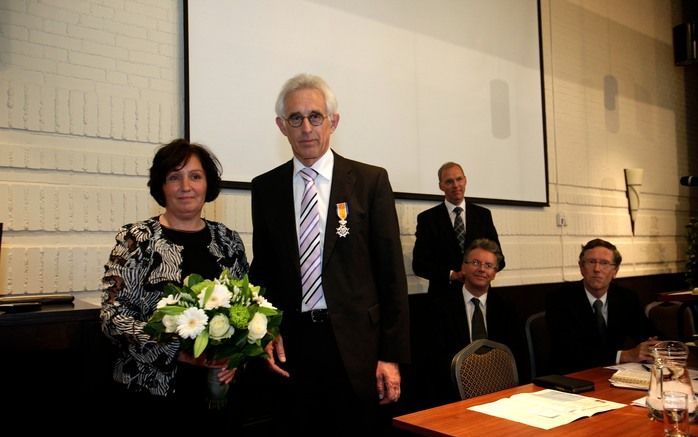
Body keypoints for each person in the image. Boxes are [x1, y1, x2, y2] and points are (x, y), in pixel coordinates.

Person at [249, 73, 410, 435]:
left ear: (333, 122)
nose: (306, 127)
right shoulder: (266, 188)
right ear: (281, 126)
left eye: (315, 116)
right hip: (294, 348)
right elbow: (265, 271)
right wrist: (266, 330)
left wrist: (390, 356)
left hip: (358, 349)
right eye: (295, 118)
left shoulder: (369, 182)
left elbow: (391, 276)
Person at [100, 138, 249, 415]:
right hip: (150, 391)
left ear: (208, 184)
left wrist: (236, 356)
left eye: (195, 176)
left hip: (216, 390)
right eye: (174, 177)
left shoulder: (228, 240)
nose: (186, 187)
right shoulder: (136, 239)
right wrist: (179, 351)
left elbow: (246, 309)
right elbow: (113, 319)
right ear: (161, 186)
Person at [428, 239, 524, 406]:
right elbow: (433, 363)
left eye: (488, 265)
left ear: (495, 273)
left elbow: (518, 357)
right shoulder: (439, 307)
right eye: (475, 263)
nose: (481, 269)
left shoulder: (507, 308)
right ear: (463, 267)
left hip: (501, 394)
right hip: (452, 396)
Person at [546, 238, 658, 374]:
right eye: (591, 262)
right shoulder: (560, 298)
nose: (597, 269)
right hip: (574, 377)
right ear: (581, 268)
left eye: (604, 263)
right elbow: (570, 352)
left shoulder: (626, 298)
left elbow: (647, 333)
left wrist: (653, 347)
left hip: (614, 375)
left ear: (615, 270)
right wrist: (625, 356)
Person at [412, 162, 504, 296]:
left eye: (459, 179)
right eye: (449, 181)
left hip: (480, 296)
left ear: (465, 180)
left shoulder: (483, 215)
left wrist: (479, 272)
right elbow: (420, 265)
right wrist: (452, 275)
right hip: (443, 298)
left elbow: (499, 259)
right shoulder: (427, 219)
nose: (456, 185)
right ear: (441, 186)